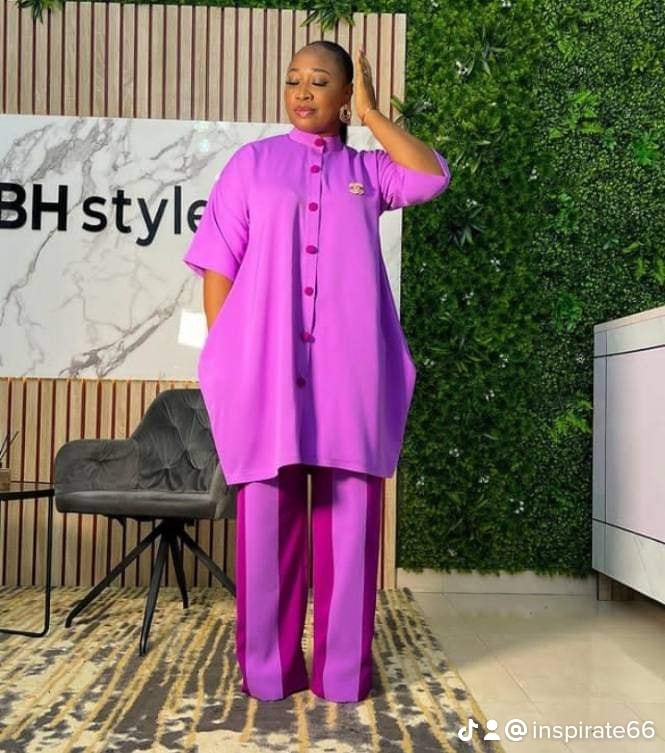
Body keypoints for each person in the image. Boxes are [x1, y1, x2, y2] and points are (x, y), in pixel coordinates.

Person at [182, 40, 451, 703]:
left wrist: (373, 114)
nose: (302, 92)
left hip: (349, 378)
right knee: (266, 533)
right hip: (268, 376)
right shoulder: (252, 165)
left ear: (343, 95)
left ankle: (341, 676)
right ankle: (268, 672)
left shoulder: (368, 171)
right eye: (293, 79)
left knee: (350, 532)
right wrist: (230, 352)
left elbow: (430, 176)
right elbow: (219, 263)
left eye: (320, 81)